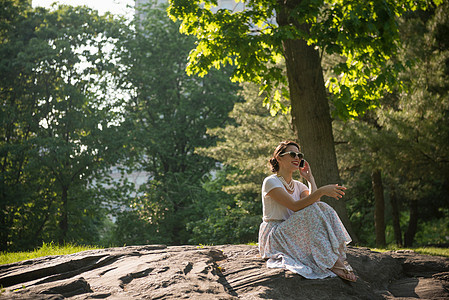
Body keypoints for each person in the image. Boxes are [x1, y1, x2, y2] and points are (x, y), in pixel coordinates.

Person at [258, 140, 357, 282]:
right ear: (279, 158)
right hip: (275, 234)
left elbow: (315, 204)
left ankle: (335, 258)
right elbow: (295, 206)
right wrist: (322, 190)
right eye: (292, 154)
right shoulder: (271, 181)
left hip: (292, 232)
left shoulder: (297, 185)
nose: (297, 158)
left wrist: (310, 179)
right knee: (313, 209)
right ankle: (335, 263)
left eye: (299, 155)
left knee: (323, 208)